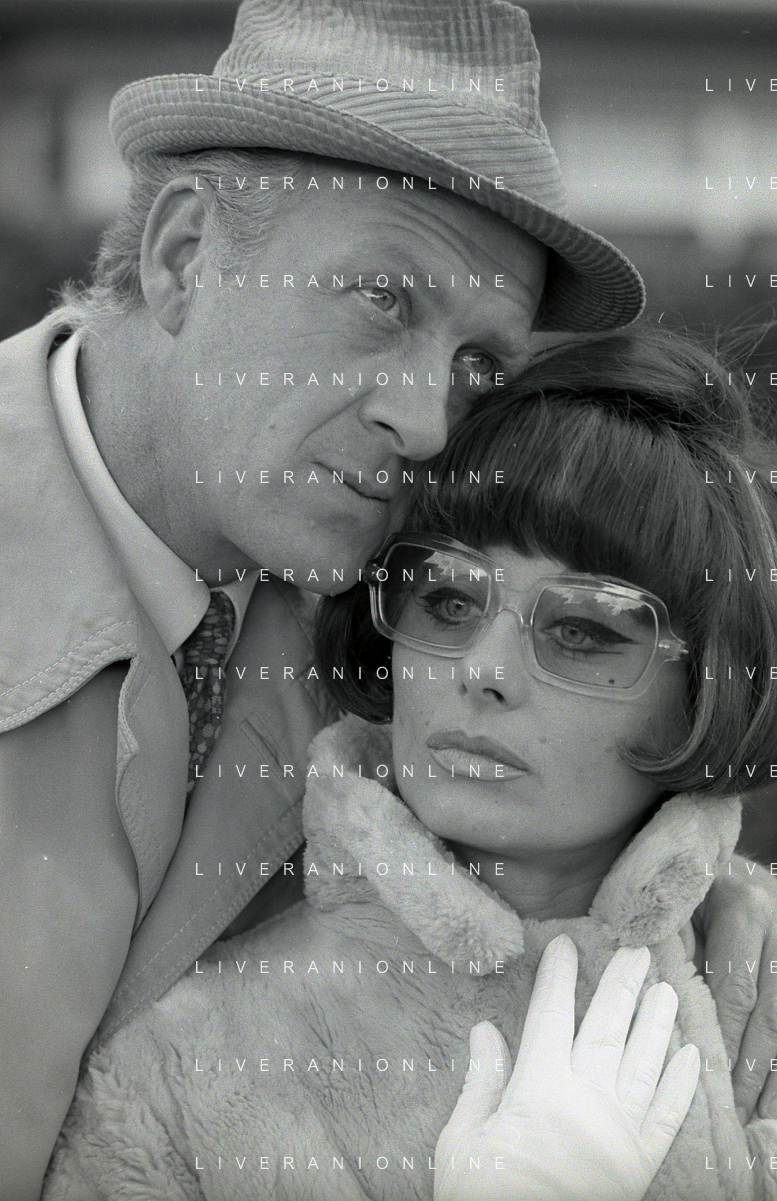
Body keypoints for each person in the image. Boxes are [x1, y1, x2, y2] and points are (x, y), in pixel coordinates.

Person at [3, 0, 777, 1195]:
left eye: (478, 363)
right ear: (185, 254)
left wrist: (704, 929)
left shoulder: (395, 597)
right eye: (382, 299)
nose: (426, 421)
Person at [43, 326, 777, 1199]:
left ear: (707, 685)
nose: (482, 670)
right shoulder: (170, 1077)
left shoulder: (758, 994)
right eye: (449, 600)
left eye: (582, 629)